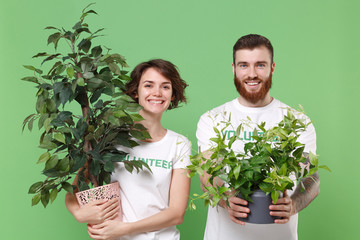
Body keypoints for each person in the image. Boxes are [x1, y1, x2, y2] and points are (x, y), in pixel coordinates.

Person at [196, 34, 320, 240]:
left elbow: (312, 176)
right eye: (244, 65)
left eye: (260, 65)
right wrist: (227, 200)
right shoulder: (213, 119)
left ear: (272, 68)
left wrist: (294, 204)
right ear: (234, 69)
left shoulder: (297, 120)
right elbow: (207, 174)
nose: (252, 74)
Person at [65, 59, 191, 240]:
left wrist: (125, 229)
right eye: (148, 85)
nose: (157, 93)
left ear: (172, 95)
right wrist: (78, 213)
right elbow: (73, 190)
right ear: (135, 92)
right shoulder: (110, 137)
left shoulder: (179, 144)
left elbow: (176, 213)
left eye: (165, 87)